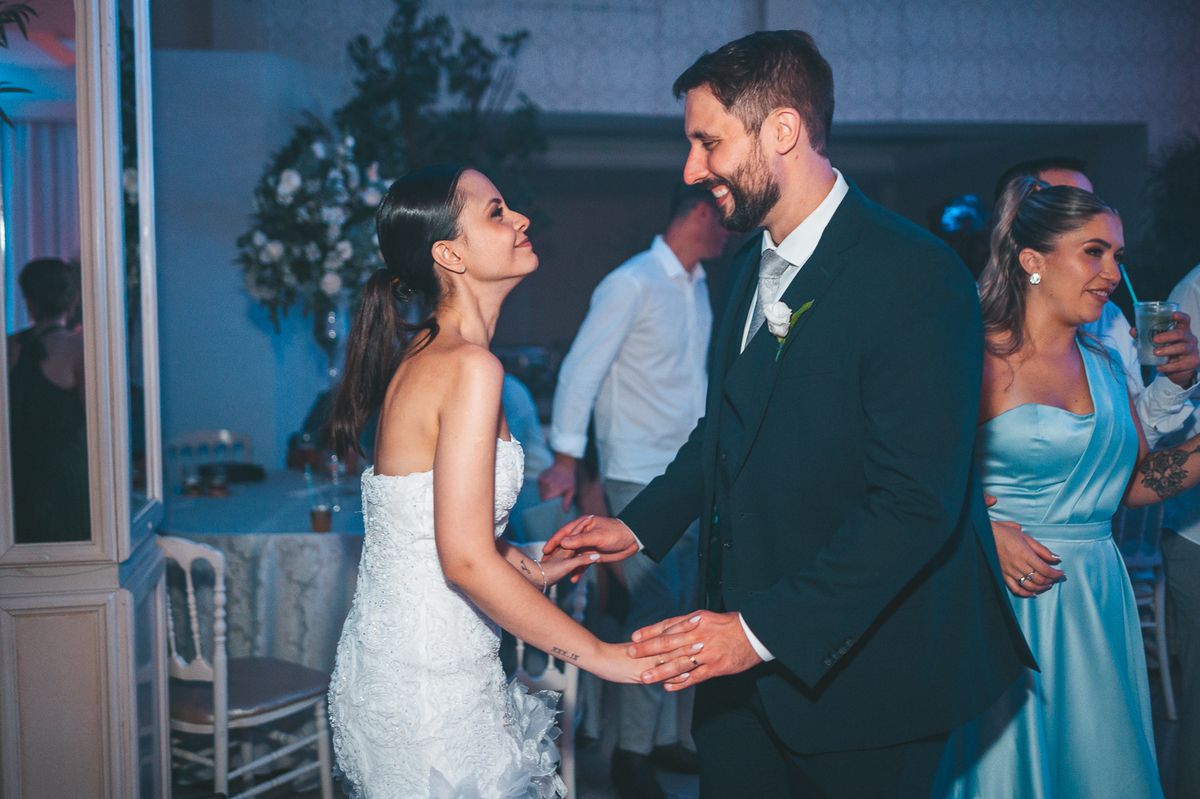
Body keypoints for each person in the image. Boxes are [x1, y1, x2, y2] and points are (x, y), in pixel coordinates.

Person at [546, 31, 1034, 798]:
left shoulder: (916, 274)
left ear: (781, 130)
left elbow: (914, 506)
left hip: (864, 686)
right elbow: (725, 427)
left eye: (708, 142)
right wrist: (638, 527)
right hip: (738, 690)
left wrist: (756, 632)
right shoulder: (746, 267)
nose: (691, 170)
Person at [324, 166, 683, 799]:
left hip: (414, 665)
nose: (520, 219)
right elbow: (463, 560)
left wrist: (537, 567)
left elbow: (436, 533)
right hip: (429, 690)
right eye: (496, 212)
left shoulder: (435, 354)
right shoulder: (469, 367)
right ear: (450, 254)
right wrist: (603, 655)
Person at [931, 177, 1200, 798]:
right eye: (1093, 252)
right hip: (1008, 599)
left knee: (1100, 765)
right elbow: (906, 482)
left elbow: (1132, 484)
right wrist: (980, 529)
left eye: (1118, 256)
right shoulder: (975, 358)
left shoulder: (1105, 364)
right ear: (1032, 261)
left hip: (1097, 598)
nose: (1112, 273)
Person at [537, 182, 727, 799]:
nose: (733, 229)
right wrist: (566, 461)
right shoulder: (631, 283)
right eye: (724, 215)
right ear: (701, 212)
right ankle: (631, 756)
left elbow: (693, 386)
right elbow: (580, 372)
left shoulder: (697, 287)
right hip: (637, 472)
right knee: (655, 611)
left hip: (688, 475)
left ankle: (666, 736)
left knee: (686, 608)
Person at [995, 157, 1200, 446]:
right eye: (1067, 201)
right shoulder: (973, 332)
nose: (1113, 274)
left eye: (1117, 257)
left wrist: (1174, 382)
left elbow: (1132, 446)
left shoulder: (1108, 324)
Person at [7, 257, 89, 544]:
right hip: (67, 481)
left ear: (29, 302)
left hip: (18, 480)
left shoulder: (8, 346)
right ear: (73, 300)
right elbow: (97, 423)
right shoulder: (78, 348)